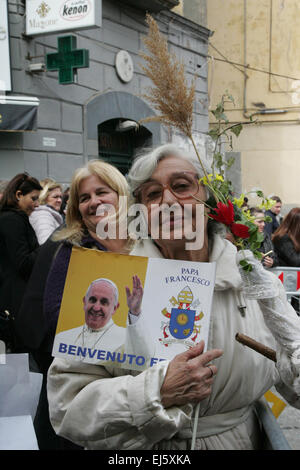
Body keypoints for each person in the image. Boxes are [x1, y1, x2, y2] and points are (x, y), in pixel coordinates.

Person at [46, 144, 300, 450]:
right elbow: (67, 409)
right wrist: (155, 392)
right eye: (152, 194)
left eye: (181, 186)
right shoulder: (109, 283)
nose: (167, 200)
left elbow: (292, 387)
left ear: (209, 200)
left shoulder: (252, 280)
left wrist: (293, 347)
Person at [16, 160, 139, 449]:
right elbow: (58, 316)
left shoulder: (145, 242)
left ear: (120, 195)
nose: (94, 202)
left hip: (133, 387)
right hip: (79, 384)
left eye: (102, 192)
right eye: (84, 197)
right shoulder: (67, 246)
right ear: (76, 207)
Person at [53, 276, 146, 364]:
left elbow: (144, 359)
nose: (96, 308)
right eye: (92, 300)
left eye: (104, 302)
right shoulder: (63, 337)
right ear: (84, 302)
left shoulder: (126, 340)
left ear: (115, 308)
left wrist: (135, 312)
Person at [0, 173, 42, 352]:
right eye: (33, 198)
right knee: (18, 361)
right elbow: (23, 263)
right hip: (14, 305)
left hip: (14, 303)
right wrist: (47, 247)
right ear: (18, 195)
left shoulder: (12, 218)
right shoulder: (12, 220)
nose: (37, 204)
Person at [29, 180, 63, 244]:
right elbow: (46, 244)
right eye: (55, 197)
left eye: (60, 197)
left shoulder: (46, 214)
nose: (60, 200)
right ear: (43, 197)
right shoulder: (43, 216)